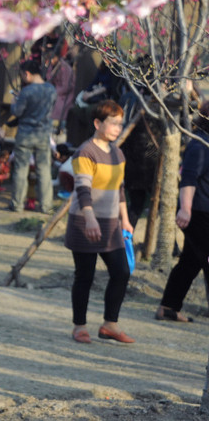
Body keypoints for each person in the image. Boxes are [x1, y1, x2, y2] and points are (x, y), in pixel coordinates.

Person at [65, 100, 135, 344]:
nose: (117, 128)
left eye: (120, 123)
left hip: (111, 225)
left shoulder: (118, 153)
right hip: (85, 223)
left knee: (122, 271)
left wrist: (125, 220)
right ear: (97, 123)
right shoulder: (85, 152)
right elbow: (82, 188)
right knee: (84, 275)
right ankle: (79, 326)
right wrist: (90, 217)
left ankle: (110, 324)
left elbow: (120, 190)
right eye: (113, 123)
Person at [155, 102, 209, 323]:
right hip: (198, 212)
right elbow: (188, 178)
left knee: (190, 261)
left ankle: (168, 307)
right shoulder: (199, 145)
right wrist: (185, 209)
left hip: (202, 211)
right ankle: (168, 306)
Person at [8, 60, 57, 214]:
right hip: (43, 133)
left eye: (22, 75)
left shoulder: (27, 92)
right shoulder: (51, 89)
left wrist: (14, 101)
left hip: (25, 134)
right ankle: (46, 205)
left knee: (21, 169)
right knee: (44, 170)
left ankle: (17, 204)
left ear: (27, 73)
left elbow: (17, 112)